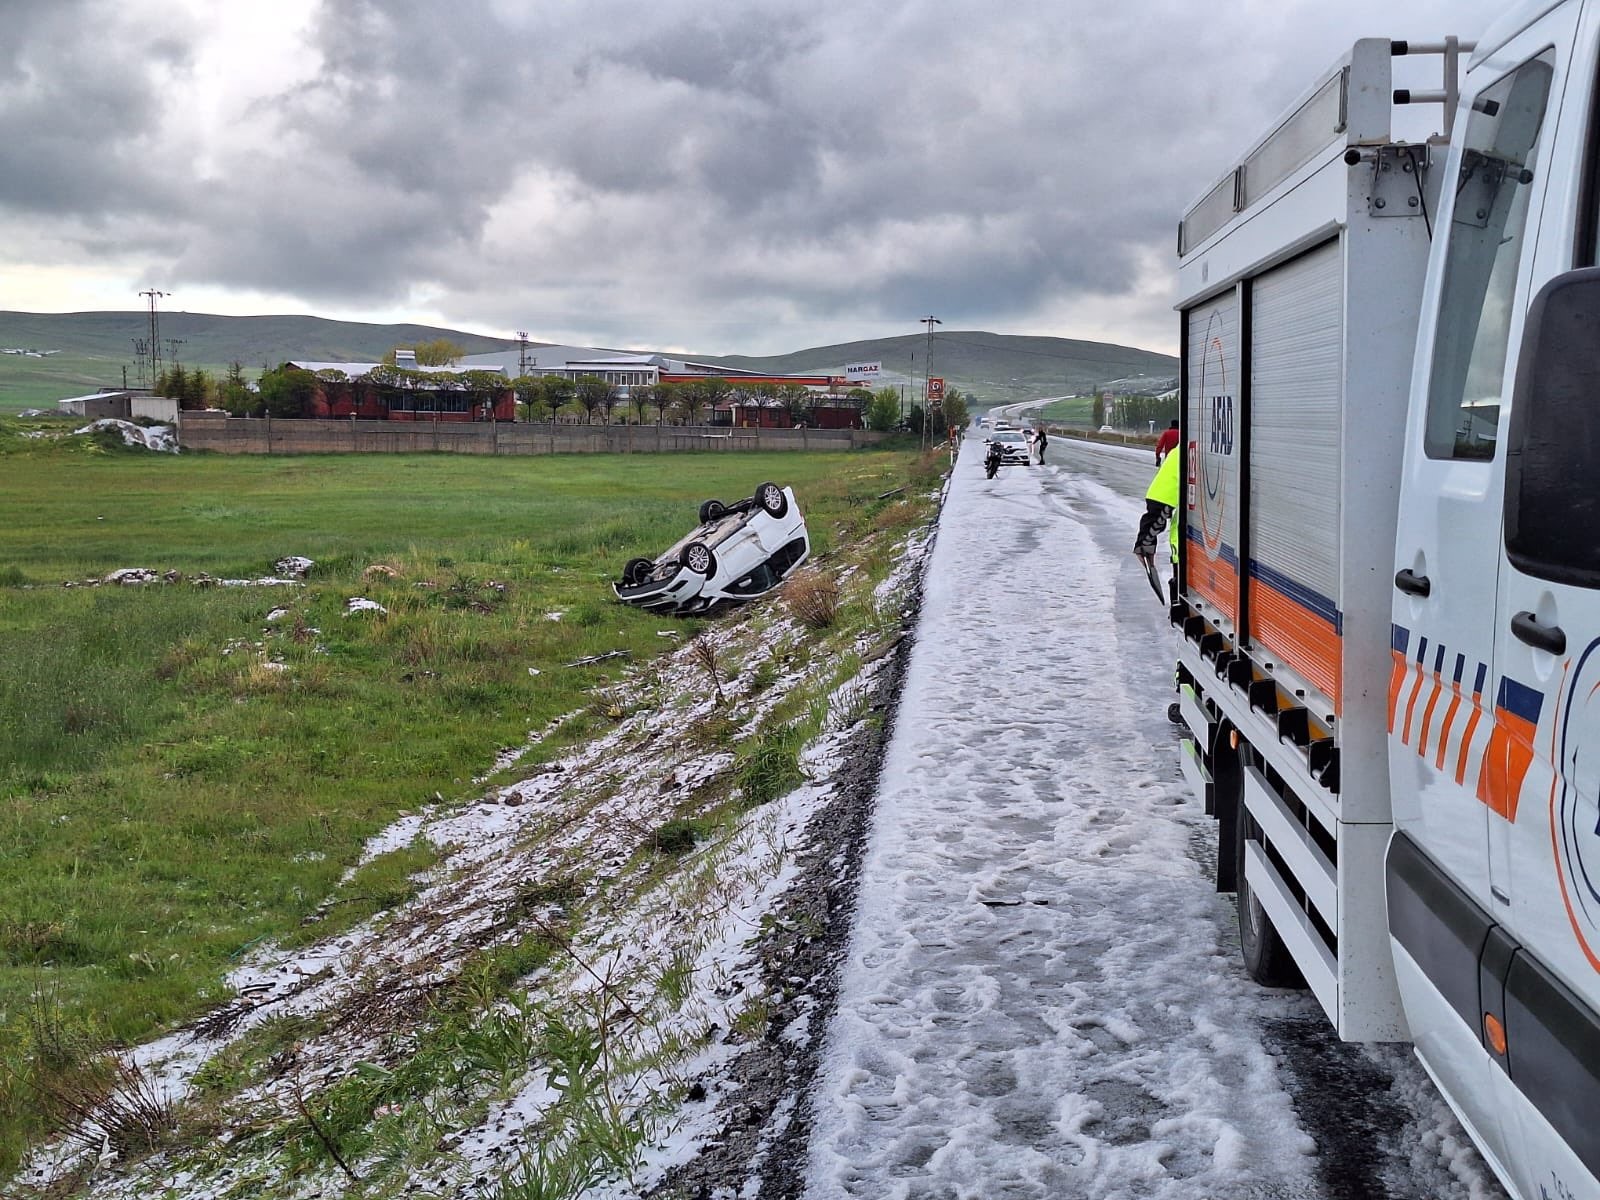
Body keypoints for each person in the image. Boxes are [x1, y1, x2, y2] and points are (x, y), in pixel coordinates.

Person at [1134, 445, 1181, 596]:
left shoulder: (1194, 439)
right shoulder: (1195, 438)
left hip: (1194, 554)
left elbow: (1160, 498)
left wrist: (1146, 539)